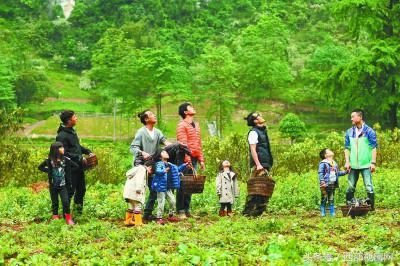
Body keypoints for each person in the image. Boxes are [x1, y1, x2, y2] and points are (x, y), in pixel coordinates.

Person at [130, 110, 171, 221]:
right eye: (152, 115)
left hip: (153, 165)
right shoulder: (141, 132)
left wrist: (173, 146)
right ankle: (134, 214)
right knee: (139, 190)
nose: (155, 115)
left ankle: (146, 214)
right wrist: (142, 152)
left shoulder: (157, 132)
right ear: (146, 119)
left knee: (153, 189)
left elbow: (165, 141)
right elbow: (133, 147)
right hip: (141, 165)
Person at [56, 110, 95, 215]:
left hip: (78, 167)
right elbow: (63, 154)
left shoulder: (72, 132)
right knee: (70, 192)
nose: (76, 118)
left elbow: (77, 147)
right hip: (69, 168)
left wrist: (88, 151)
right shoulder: (62, 136)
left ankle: (78, 214)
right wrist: (79, 157)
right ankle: (66, 216)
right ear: (69, 120)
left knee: (81, 190)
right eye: (74, 117)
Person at [344, 109, 378, 210]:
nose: (351, 119)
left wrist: (373, 162)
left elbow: (373, 147)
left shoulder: (369, 131)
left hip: (366, 164)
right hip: (353, 164)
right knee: (350, 186)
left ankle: (371, 208)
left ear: (360, 117)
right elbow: (347, 148)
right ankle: (349, 206)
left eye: (353, 116)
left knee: (368, 185)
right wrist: (347, 162)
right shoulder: (349, 132)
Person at [176, 102, 205, 219]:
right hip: (184, 158)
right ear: (185, 112)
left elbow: (198, 143)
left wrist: (201, 159)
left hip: (194, 157)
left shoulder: (196, 125)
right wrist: (187, 159)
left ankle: (187, 209)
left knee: (191, 184)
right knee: (183, 183)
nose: (194, 108)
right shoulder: (181, 125)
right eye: (191, 107)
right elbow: (183, 144)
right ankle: (180, 209)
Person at [38, 142, 79, 225]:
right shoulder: (49, 160)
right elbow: (40, 167)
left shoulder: (66, 160)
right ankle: (55, 217)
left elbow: (76, 166)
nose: (63, 149)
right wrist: (49, 171)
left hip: (63, 186)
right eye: (61, 148)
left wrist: (67, 172)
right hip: (53, 186)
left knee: (66, 202)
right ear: (56, 150)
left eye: (63, 147)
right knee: (55, 203)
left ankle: (68, 218)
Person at [242, 112, 273, 217]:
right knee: (255, 189)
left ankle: (258, 213)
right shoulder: (253, 133)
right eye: (258, 115)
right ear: (255, 121)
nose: (261, 115)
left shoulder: (263, 131)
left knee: (265, 188)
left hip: (265, 163)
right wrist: (258, 164)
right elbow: (253, 150)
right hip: (259, 164)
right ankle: (248, 213)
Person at [151, 149, 188, 224]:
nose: (166, 153)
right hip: (161, 186)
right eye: (163, 152)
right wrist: (164, 171)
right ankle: (159, 217)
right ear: (160, 156)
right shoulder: (159, 164)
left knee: (172, 201)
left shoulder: (170, 164)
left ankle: (171, 215)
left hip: (168, 187)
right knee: (161, 202)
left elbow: (176, 170)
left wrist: (185, 165)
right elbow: (157, 171)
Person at [123, 160, 154, 226]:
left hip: (129, 191)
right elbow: (139, 180)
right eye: (151, 171)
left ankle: (128, 221)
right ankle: (138, 223)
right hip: (135, 191)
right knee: (138, 206)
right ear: (150, 167)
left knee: (131, 205)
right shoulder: (142, 169)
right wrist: (139, 189)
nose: (150, 173)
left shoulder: (137, 168)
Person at [318, 148, 347, 217]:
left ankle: (332, 211)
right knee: (324, 197)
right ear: (326, 155)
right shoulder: (323, 163)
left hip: (333, 184)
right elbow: (320, 173)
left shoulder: (334, 163)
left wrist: (345, 172)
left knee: (331, 198)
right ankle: (322, 210)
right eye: (329, 151)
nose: (331, 151)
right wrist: (322, 182)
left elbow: (337, 173)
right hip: (325, 184)